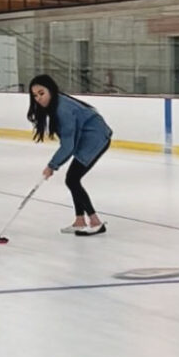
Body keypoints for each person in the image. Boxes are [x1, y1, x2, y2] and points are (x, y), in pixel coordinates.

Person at [27, 74, 112, 236]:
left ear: (50, 90)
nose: (38, 98)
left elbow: (68, 146)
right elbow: (68, 143)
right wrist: (54, 165)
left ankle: (95, 221)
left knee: (72, 179)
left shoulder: (63, 109)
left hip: (96, 137)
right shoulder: (55, 105)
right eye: (35, 95)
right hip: (86, 137)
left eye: (41, 93)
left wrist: (52, 165)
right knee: (72, 179)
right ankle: (80, 221)